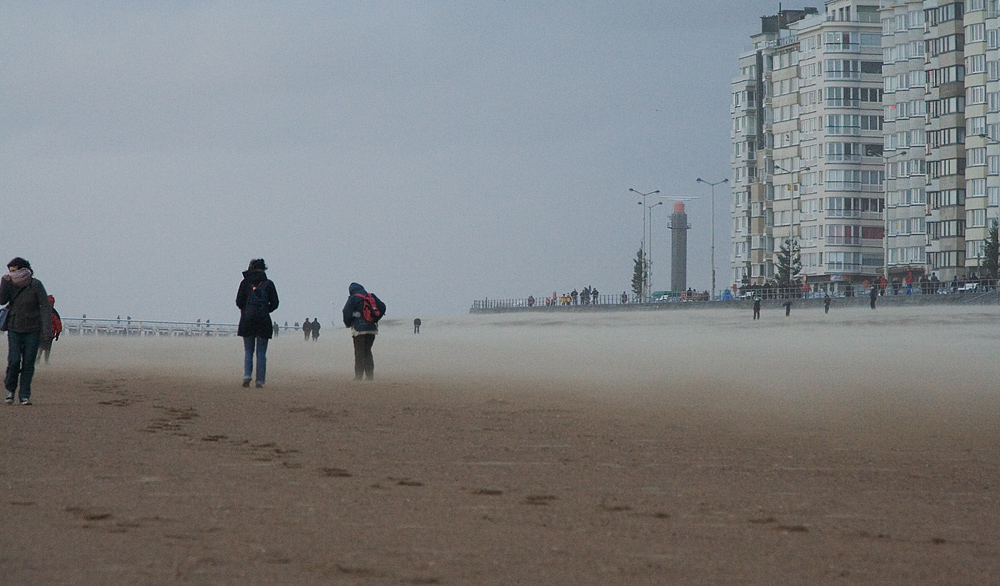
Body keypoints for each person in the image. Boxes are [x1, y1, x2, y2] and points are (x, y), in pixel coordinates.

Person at [2, 258, 52, 405]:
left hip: (33, 329)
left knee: (29, 363)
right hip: (14, 328)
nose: (11, 274)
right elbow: (2, 301)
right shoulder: (9, 283)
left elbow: (45, 307)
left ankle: (24, 395)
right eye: (10, 271)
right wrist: (4, 283)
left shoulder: (35, 285)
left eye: (14, 270)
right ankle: (10, 390)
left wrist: (46, 330)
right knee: (14, 360)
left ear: (23, 269)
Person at [235, 259, 279, 388]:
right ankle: (260, 381)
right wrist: (265, 310)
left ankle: (247, 376)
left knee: (248, 351)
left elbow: (238, 302)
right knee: (261, 353)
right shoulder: (268, 284)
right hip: (263, 321)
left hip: (247, 321)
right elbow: (275, 303)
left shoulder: (245, 283)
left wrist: (246, 310)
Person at [342, 282, 386, 381]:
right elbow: (382, 307)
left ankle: (358, 377)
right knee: (368, 351)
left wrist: (348, 323)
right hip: (371, 328)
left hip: (359, 329)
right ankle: (370, 376)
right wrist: (375, 319)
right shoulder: (371, 296)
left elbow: (346, 312)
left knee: (359, 353)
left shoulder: (353, 298)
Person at [37, 296, 62, 364]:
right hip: (50, 333)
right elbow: (58, 324)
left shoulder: (40, 310)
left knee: (40, 346)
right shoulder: (54, 312)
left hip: (40, 332)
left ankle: (37, 360)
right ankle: (46, 361)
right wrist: (58, 334)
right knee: (48, 348)